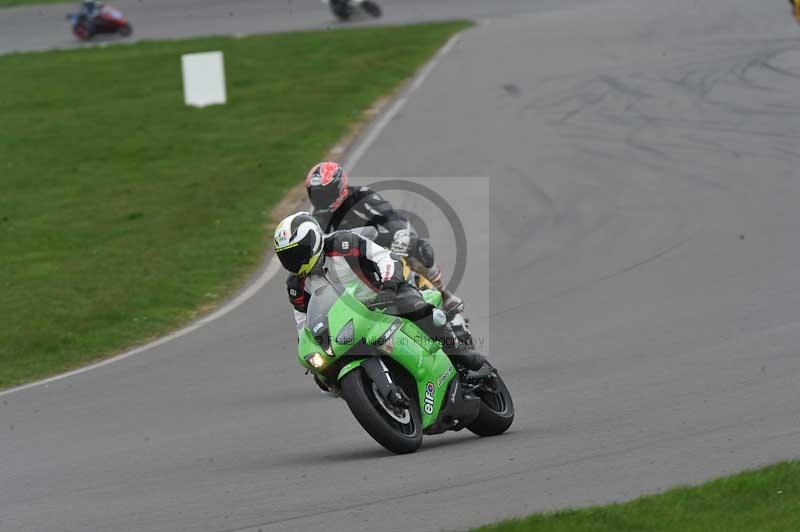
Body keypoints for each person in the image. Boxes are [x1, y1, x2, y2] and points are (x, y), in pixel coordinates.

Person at [274, 212, 484, 393]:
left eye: (296, 252)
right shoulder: (296, 284)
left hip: (385, 297)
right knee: (324, 377)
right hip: (349, 325)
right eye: (287, 256)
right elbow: (303, 325)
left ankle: (459, 352)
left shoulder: (344, 243)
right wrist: (312, 351)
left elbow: (385, 257)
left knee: (416, 307)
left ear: (313, 241)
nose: (293, 261)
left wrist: (389, 286)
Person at [303, 161, 465, 318]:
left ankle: (443, 294)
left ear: (340, 187)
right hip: (351, 262)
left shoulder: (361, 197)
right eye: (316, 194)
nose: (321, 199)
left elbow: (390, 216)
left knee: (420, 249)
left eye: (325, 193)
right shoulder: (316, 221)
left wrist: (400, 236)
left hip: (381, 246)